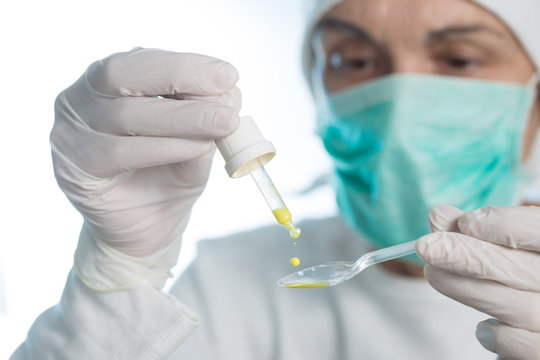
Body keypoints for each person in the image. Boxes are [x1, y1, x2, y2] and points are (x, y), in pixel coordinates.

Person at [10, 0, 540, 359]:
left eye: (460, 59)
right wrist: (115, 280)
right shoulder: (230, 281)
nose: (399, 109)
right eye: (352, 60)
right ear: (316, 90)